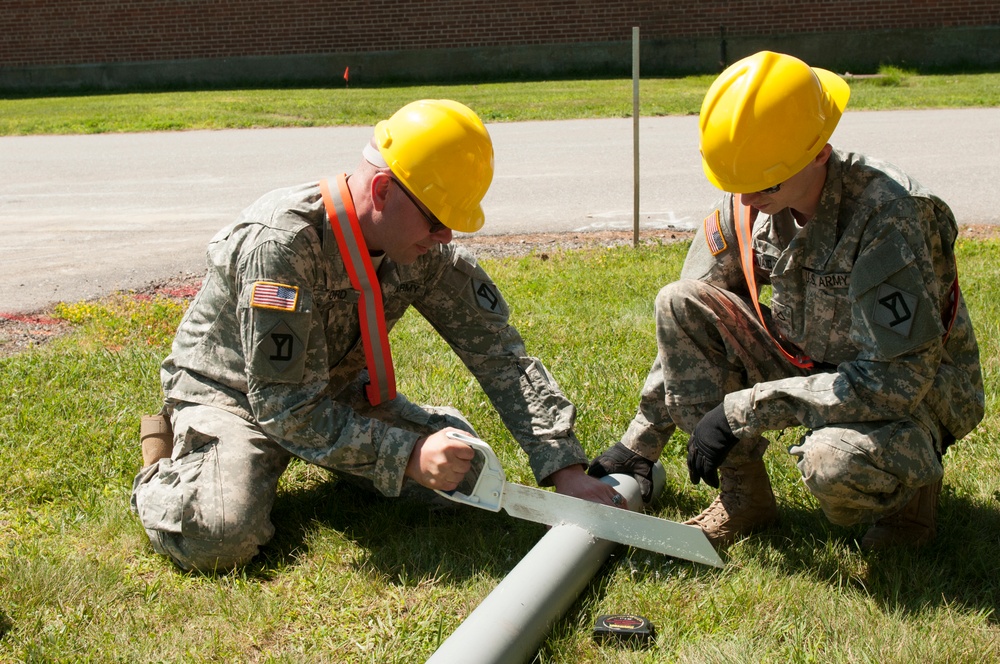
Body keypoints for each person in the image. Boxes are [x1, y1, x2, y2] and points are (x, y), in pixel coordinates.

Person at [131, 99, 623, 572]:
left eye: (453, 224)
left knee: (463, 479)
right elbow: (282, 406)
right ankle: (167, 472)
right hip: (233, 397)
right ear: (384, 189)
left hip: (331, 392)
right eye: (437, 219)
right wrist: (406, 455)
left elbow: (499, 354)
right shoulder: (280, 243)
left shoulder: (423, 246)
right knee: (220, 535)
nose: (445, 237)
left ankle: (344, 463)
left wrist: (564, 468)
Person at [588, 51, 984, 550]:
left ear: (820, 153)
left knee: (833, 464)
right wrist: (639, 445)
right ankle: (744, 499)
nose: (747, 199)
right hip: (812, 360)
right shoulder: (752, 193)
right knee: (679, 301)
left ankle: (911, 500)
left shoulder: (890, 214)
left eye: (763, 183)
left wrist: (743, 410)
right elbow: (688, 322)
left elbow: (899, 379)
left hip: (911, 390)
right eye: (737, 184)